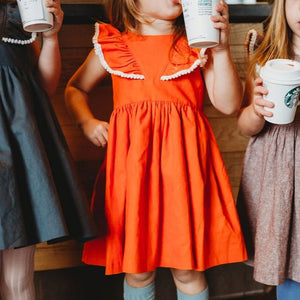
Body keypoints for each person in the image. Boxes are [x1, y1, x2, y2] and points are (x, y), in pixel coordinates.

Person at [65, 0, 247, 299]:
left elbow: (228, 104)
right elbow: (76, 88)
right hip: (134, 174)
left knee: (188, 268)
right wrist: (85, 122)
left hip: (185, 175)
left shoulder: (198, 43)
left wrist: (223, 50)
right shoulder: (114, 44)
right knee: (137, 269)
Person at [0, 0, 97, 299]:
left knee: (17, 279)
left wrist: (51, 37)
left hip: (18, 145)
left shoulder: (16, 13)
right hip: (16, 140)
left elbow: (44, 85)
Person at [236, 0, 300, 299]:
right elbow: (246, 126)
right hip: (279, 175)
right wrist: (257, 110)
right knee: (287, 258)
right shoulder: (267, 57)